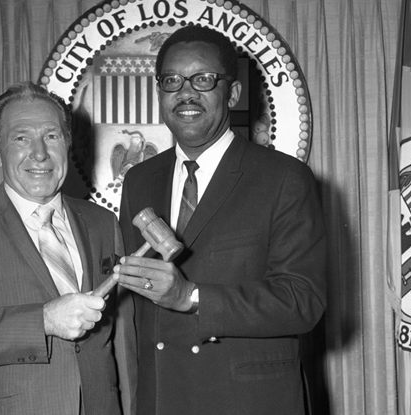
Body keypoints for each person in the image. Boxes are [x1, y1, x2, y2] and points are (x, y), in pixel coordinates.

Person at [115, 25, 327, 415]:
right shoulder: (139, 181)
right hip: (162, 401)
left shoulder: (283, 178)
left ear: (232, 93)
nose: (186, 93)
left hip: (248, 403)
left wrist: (191, 297)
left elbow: (303, 300)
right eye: (172, 81)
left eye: (203, 79)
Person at [0, 82, 134, 415]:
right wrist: (43, 321)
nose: (39, 154)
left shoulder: (103, 222)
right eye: (21, 138)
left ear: (68, 144)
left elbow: (119, 339)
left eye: (52, 136)